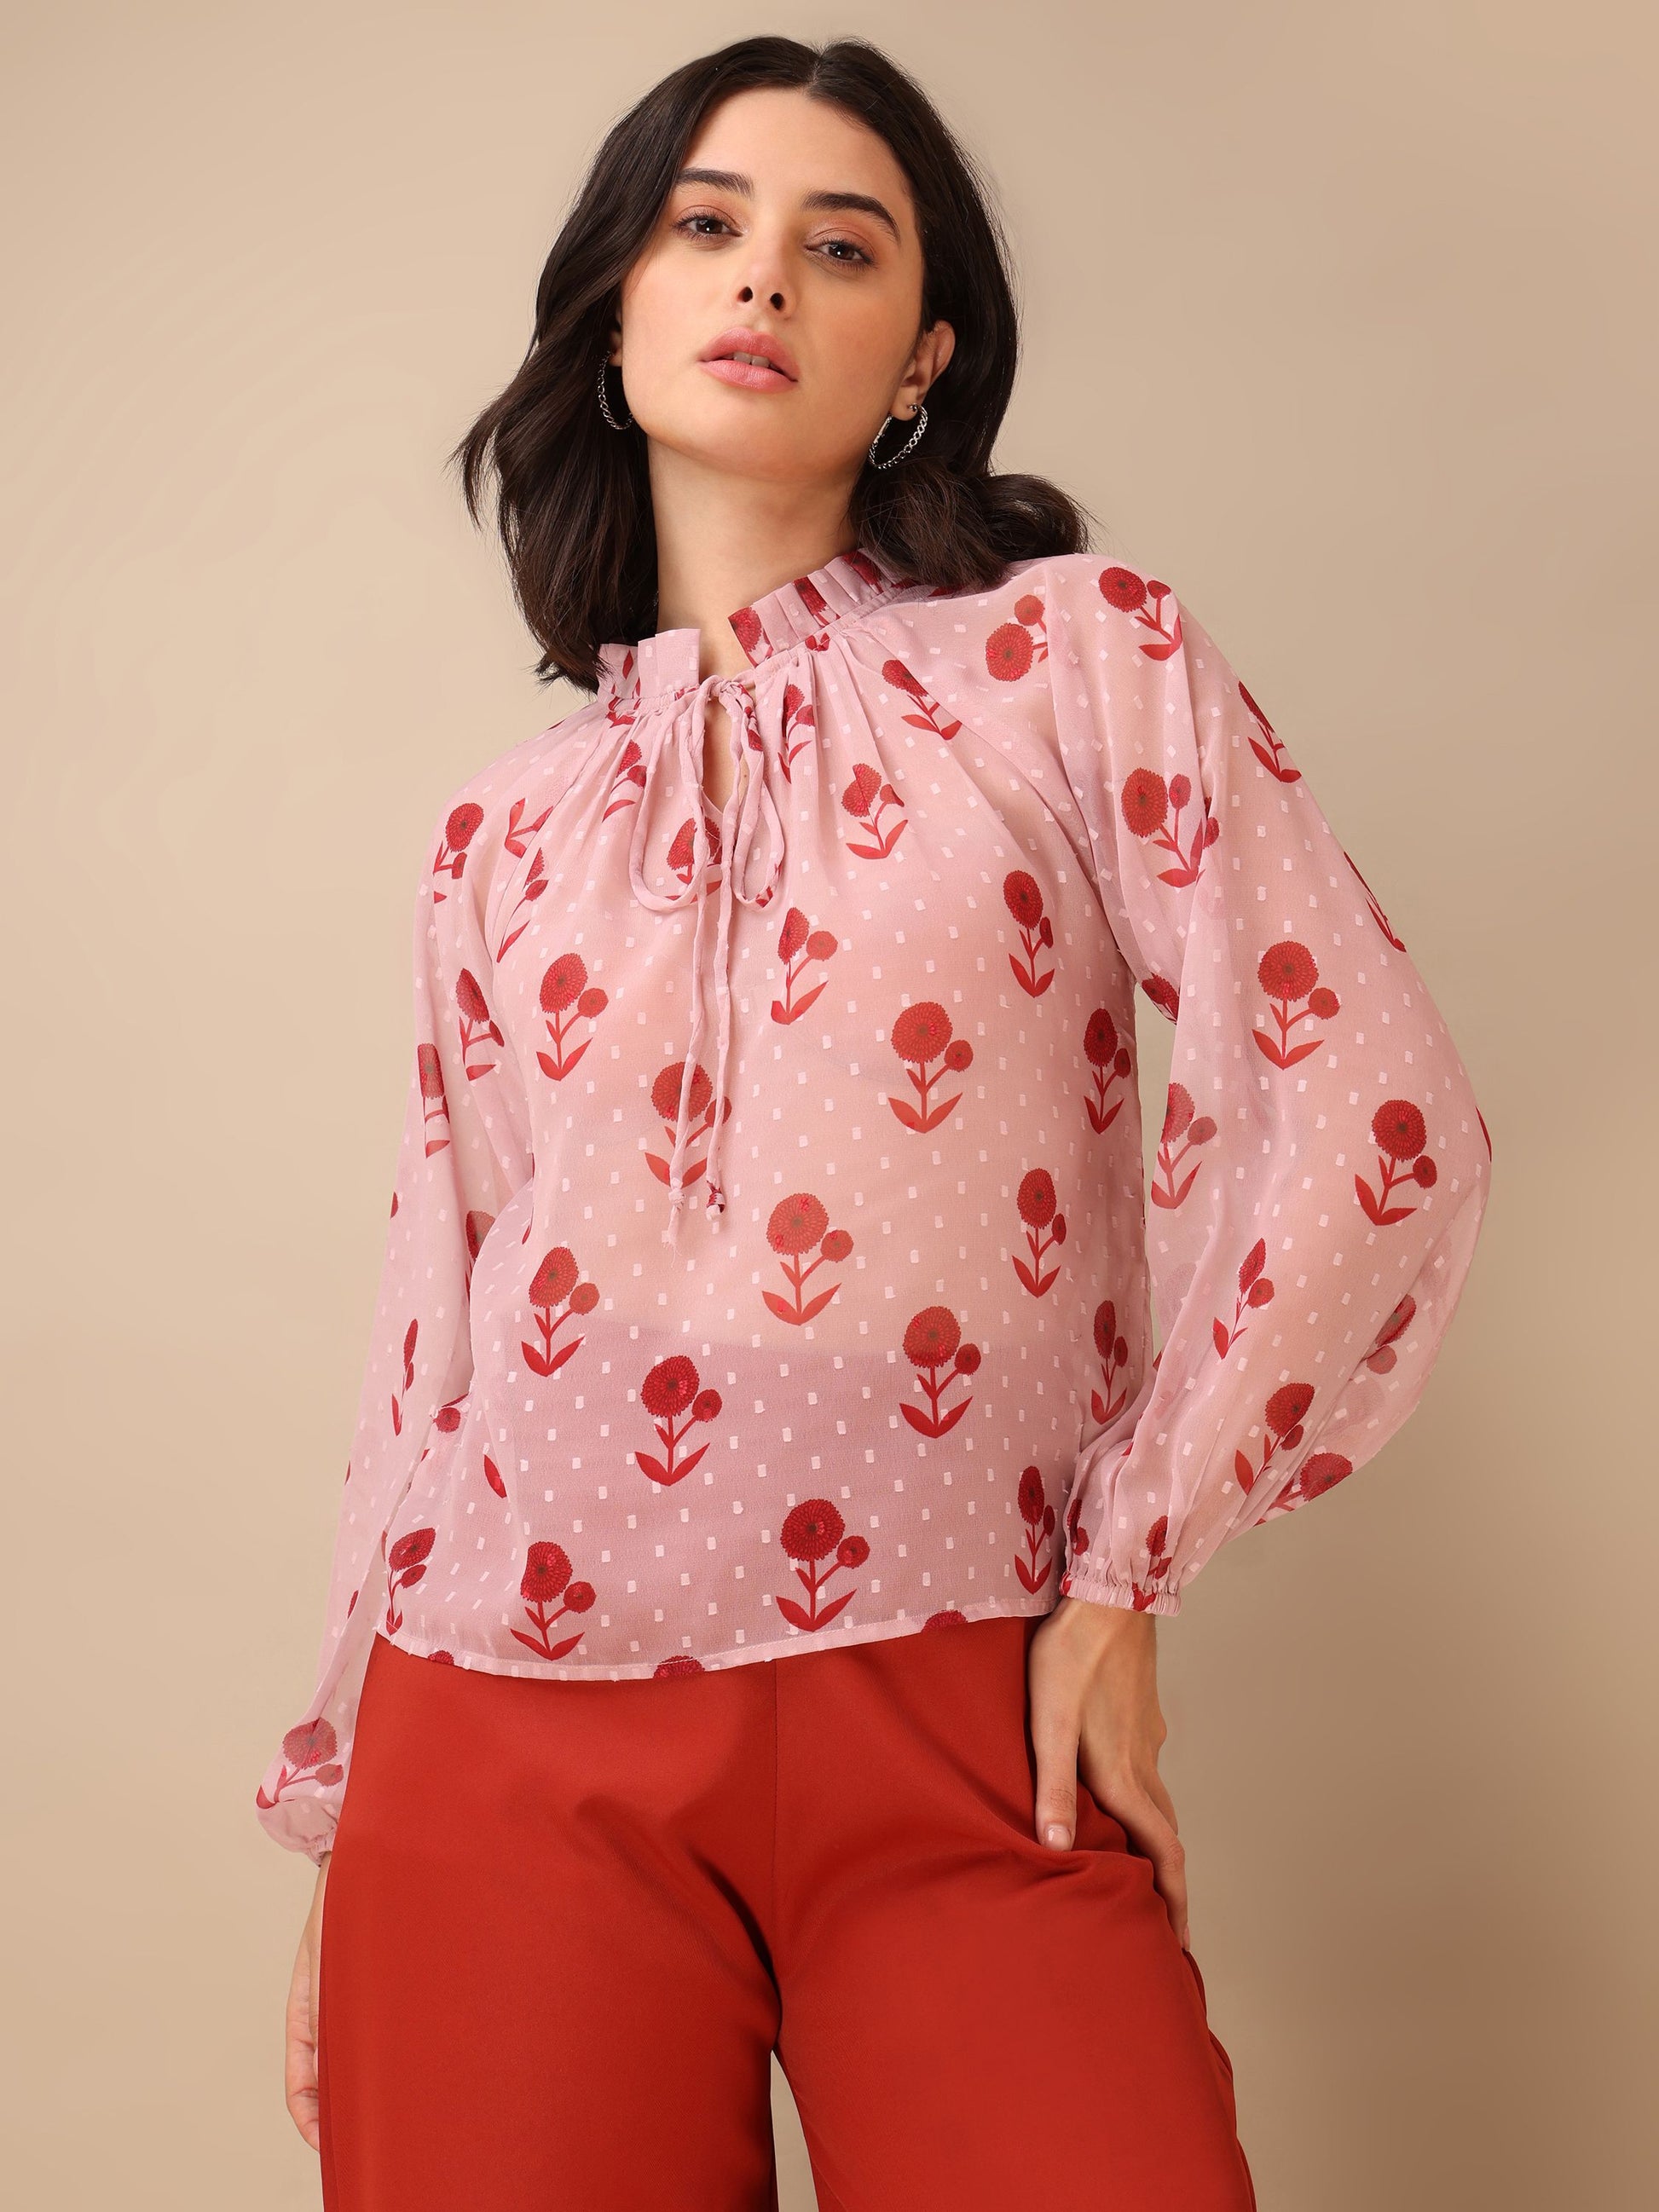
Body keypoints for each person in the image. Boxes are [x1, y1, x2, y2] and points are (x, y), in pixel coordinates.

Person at [255, 34, 1492, 2210]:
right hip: (503, 1738)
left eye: (842, 248)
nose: (762, 279)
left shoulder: (1077, 663)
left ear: (922, 357)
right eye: (704, 227)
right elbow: (430, 1335)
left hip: (960, 1701)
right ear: (615, 312)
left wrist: (1125, 1565)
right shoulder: (497, 836)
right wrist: (354, 1798)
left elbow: (1377, 1111)